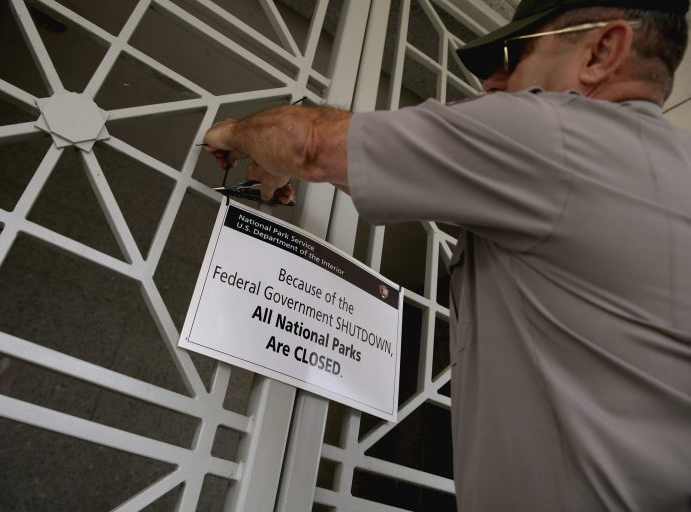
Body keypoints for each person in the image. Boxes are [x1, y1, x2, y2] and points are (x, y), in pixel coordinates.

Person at [203, 0, 691, 510]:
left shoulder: (556, 134)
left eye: (512, 53)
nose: (492, 83)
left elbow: (308, 144)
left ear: (601, 51)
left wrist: (234, 134)